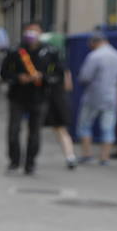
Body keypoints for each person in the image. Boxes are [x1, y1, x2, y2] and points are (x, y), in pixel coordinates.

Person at [0, 22, 51, 174]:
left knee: (35, 132)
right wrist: (17, 77)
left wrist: (43, 77)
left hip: (39, 97)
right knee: (14, 130)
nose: (32, 34)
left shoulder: (49, 51)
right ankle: (14, 161)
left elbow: (57, 73)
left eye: (35, 31)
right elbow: (4, 73)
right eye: (29, 31)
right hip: (17, 97)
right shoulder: (15, 51)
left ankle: (30, 163)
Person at [76, 31, 117, 166]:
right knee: (108, 127)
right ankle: (105, 157)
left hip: (94, 95)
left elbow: (85, 76)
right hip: (112, 96)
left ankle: (87, 154)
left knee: (85, 125)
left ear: (94, 42)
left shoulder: (94, 56)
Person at [36, 32, 78, 168]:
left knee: (35, 128)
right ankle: (70, 156)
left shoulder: (42, 62)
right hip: (57, 98)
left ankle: (31, 158)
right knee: (61, 130)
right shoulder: (62, 65)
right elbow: (68, 85)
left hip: (46, 98)